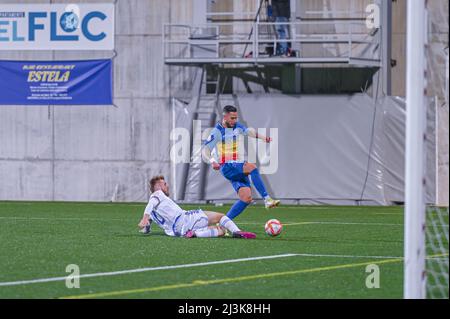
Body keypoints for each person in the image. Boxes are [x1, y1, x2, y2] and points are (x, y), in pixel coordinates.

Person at [203, 105, 280, 220]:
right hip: (227, 166)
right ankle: (267, 199)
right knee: (252, 168)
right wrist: (213, 161)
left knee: (246, 198)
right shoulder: (217, 131)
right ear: (225, 117)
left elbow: (249, 132)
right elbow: (205, 150)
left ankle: (223, 224)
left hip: (236, 166)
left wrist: (264, 138)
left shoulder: (236, 126)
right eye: (232, 118)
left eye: (236, 118)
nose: (234, 121)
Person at [138, 175, 256, 239]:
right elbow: (151, 203)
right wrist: (144, 218)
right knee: (220, 217)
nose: (167, 185)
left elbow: (146, 228)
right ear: (158, 186)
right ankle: (238, 232)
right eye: (164, 184)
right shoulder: (157, 194)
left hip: (177, 232)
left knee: (221, 231)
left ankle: (196, 233)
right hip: (185, 219)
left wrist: (146, 227)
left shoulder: (153, 213)